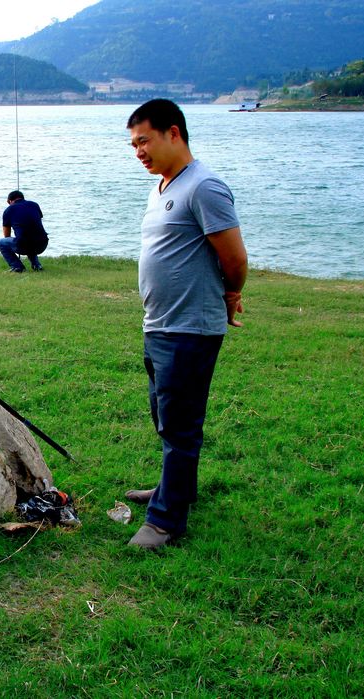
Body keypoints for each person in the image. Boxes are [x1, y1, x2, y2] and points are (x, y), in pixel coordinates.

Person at [124, 99, 248, 550]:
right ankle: (176, 489)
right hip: (158, 324)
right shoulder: (161, 186)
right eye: (133, 143)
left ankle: (165, 521)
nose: (138, 150)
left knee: (180, 423)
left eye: (144, 140)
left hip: (191, 329)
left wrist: (231, 293)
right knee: (165, 415)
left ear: (173, 133)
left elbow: (234, 257)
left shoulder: (204, 187)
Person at [0, 191, 48, 273]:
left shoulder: (9, 210)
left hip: (24, 245)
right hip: (42, 244)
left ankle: (17, 267)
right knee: (30, 237)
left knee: (2, 243)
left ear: (9, 201)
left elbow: (7, 235)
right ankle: (37, 265)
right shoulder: (34, 205)